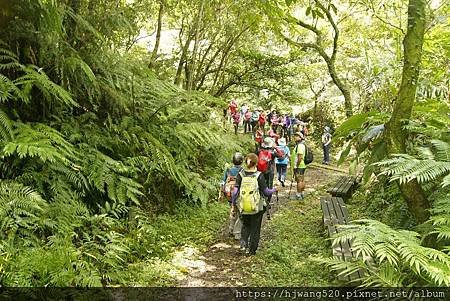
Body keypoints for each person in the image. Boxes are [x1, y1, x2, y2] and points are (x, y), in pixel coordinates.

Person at [231, 153, 278, 255]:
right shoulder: (259, 176)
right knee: (255, 228)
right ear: (256, 163)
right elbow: (266, 192)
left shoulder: (241, 175)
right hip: (257, 207)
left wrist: (234, 204)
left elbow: (235, 191)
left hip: (243, 205)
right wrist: (274, 189)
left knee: (245, 226)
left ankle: (243, 245)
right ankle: (252, 250)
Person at [221, 152, 244, 239]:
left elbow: (223, 182)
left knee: (233, 210)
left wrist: (221, 193)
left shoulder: (228, 170)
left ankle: (231, 228)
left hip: (229, 195)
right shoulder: (242, 170)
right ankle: (237, 232)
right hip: (238, 194)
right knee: (241, 213)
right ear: (241, 161)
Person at [257, 137, 283, 206]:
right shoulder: (272, 152)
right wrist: (276, 147)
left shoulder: (259, 151)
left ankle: (260, 200)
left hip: (260, 171)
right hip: (269, 172)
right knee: (269, 185)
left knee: (261, 185)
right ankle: (267, 202)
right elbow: (281, 155)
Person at [291, 132, 307, 200]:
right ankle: (302, 193)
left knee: (299, 181)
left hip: (299, 166)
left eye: (297, 136)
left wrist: (296, 166)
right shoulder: (300, 145)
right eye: (295, 136)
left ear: (300, 138)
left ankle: (298, 195)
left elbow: (300, 157)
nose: (295, 137)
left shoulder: (300, 146)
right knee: (302, 179)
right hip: (302, 165)